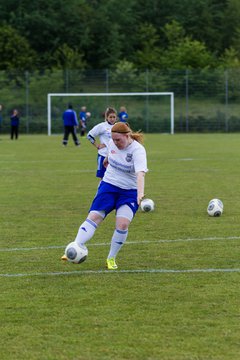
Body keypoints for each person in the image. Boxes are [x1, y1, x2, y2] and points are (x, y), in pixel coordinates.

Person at [62, 122, 148, 270]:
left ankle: (111, 258)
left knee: (122, 224)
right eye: (113, 140)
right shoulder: (111, 142)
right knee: (94, 217)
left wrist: (140, 194)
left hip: (129, 191)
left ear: (127, 136)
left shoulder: (138, 151)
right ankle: (76, 245)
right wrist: (107, 159)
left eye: (118, 140)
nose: (115, 143)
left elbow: (140, 173)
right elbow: (110, 152)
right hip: (109, 185)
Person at [87, 107, 118, 179]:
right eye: (110, 117)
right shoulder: (102, 126)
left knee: (115, 179)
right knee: (103, 178)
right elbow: (89, 135)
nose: (112, 119)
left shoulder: (118, 126)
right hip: (103, 155)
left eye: (114, 117)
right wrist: (97, 145)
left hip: (116, 156)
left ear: (116, 118)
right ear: (107, 117)